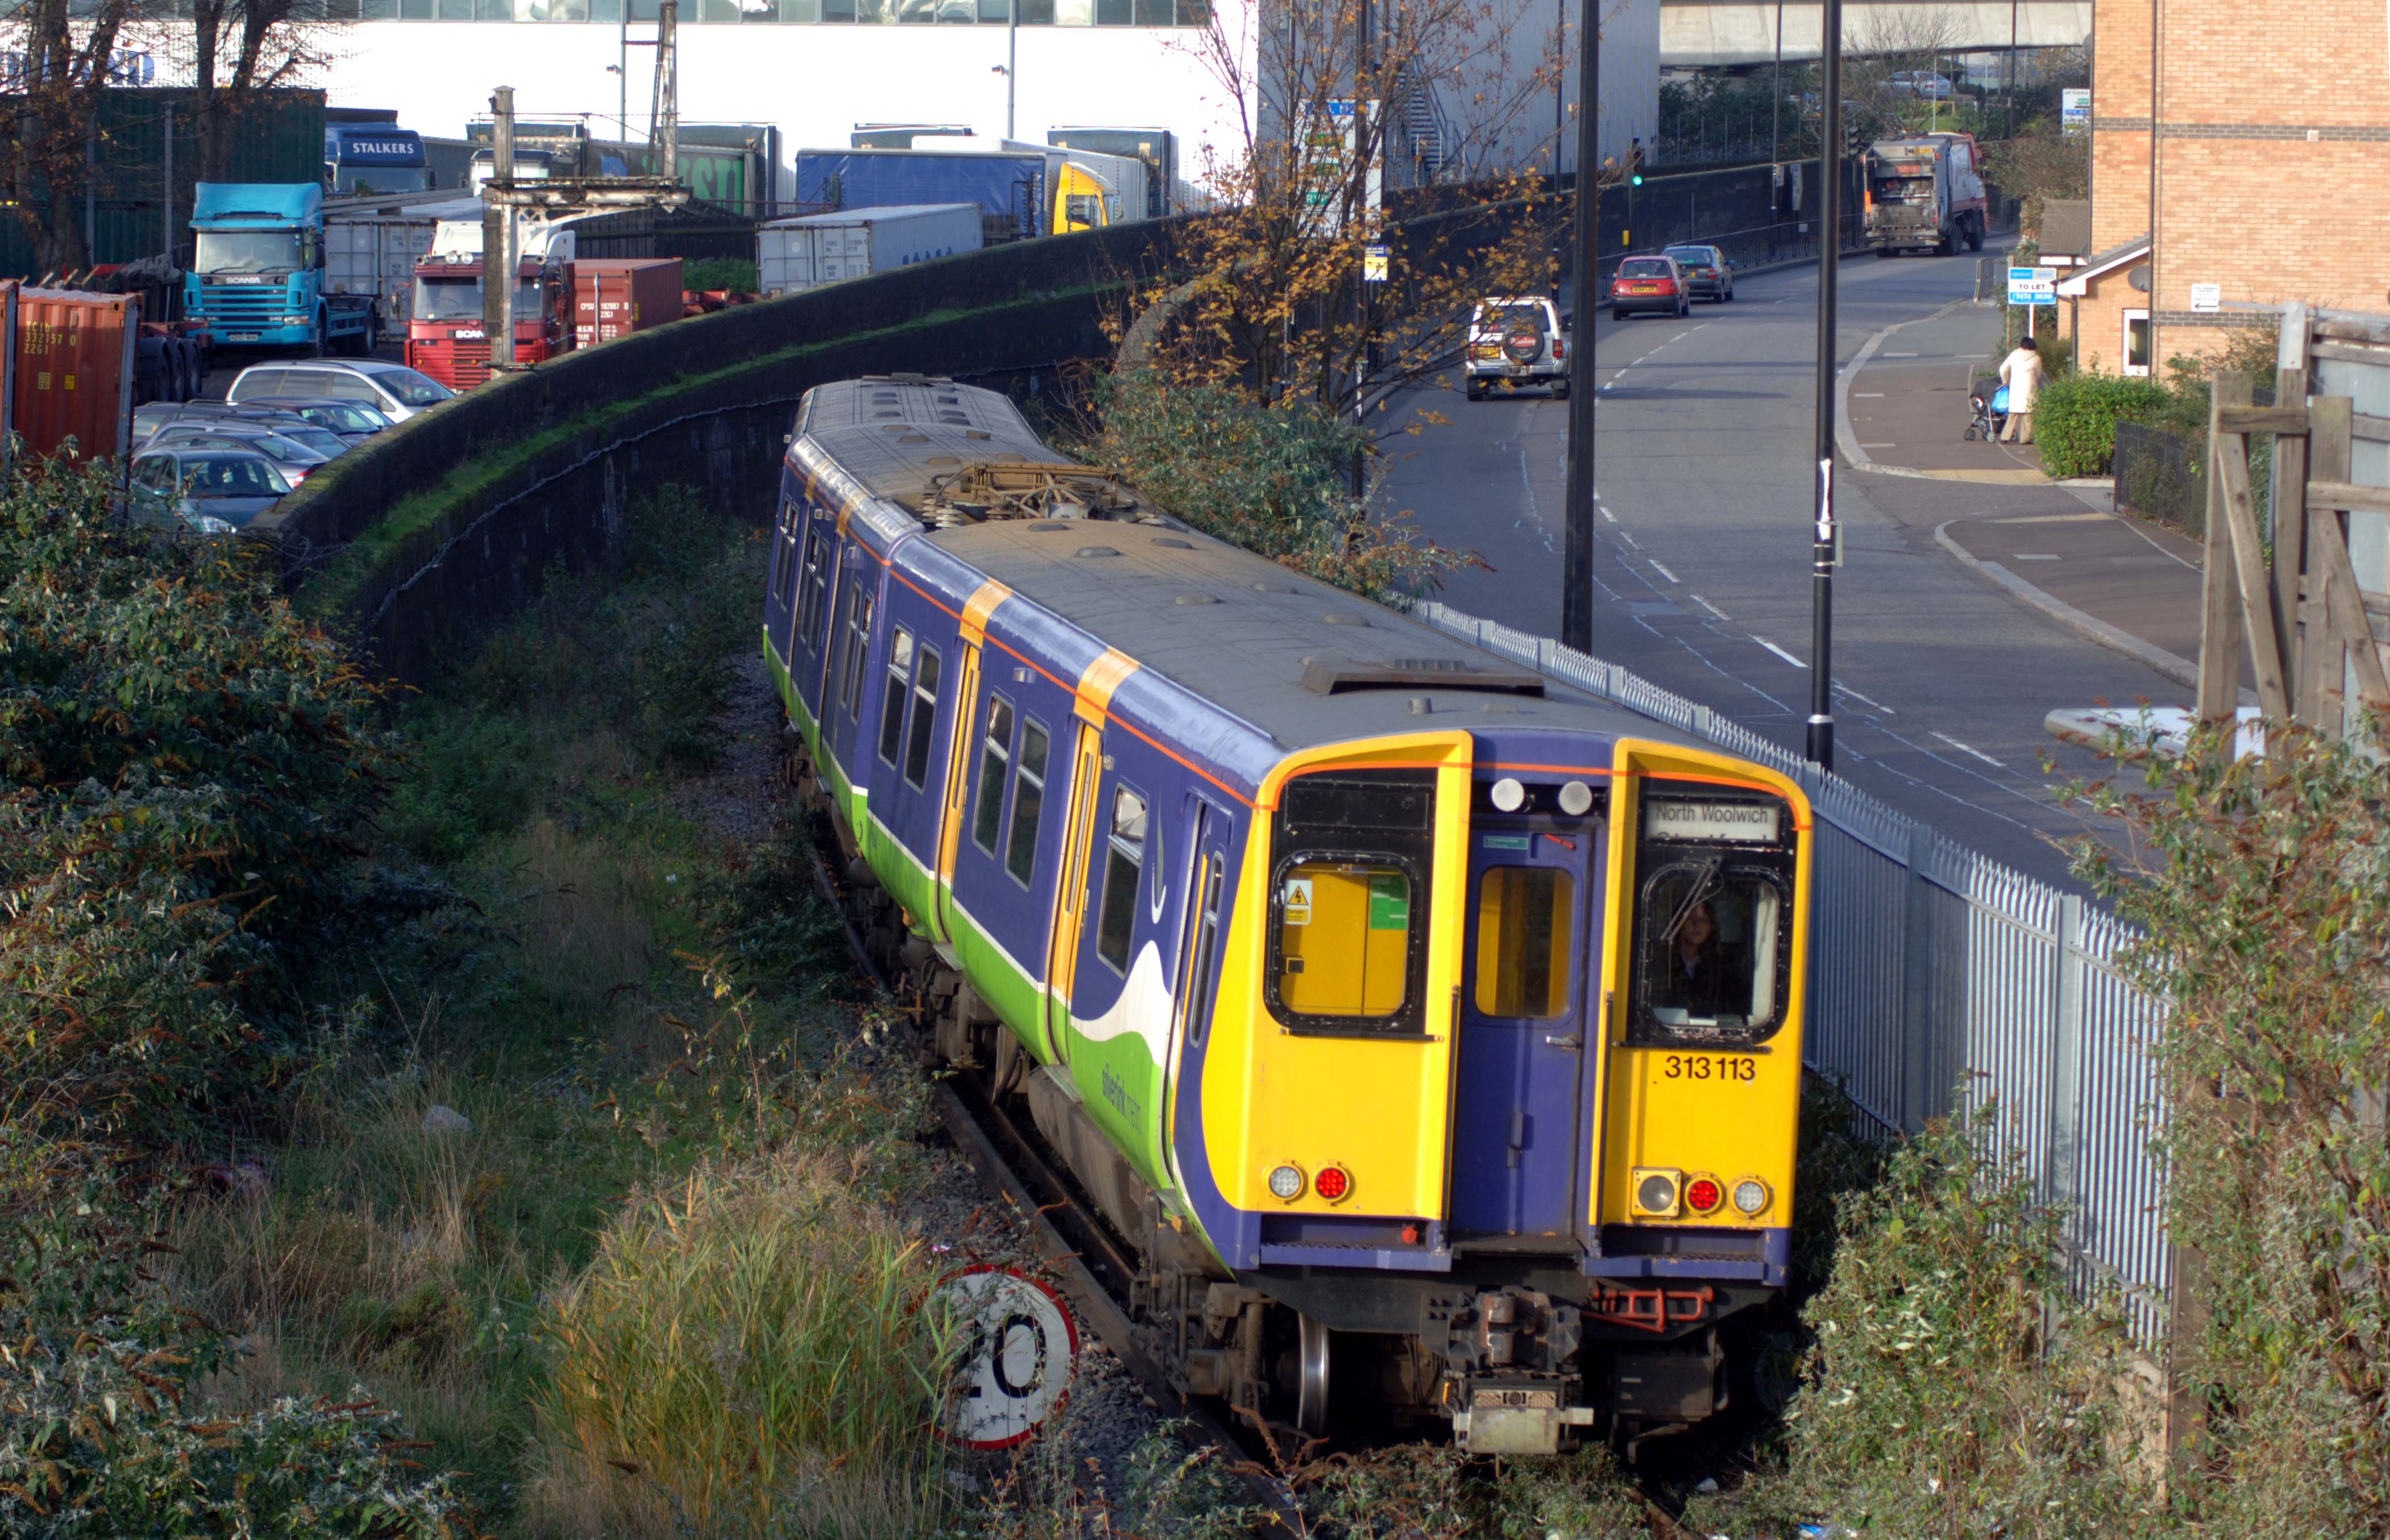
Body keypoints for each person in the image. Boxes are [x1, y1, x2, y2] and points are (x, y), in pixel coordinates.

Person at [1662, 900, 1746, 1016]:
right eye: (1691, 918)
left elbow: (1733, 1008)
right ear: (1679, 923)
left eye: (1704, 920)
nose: (1697, 925)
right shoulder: (1662, 960)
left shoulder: (1724, 965)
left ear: (1712, 926)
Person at [1998, 334, 2044, 444]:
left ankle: (2005, 437)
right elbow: (2039, 374)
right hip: (2030, 390)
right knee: (2028, 416)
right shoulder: (2036, 359)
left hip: (2016, 389)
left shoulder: (2014, 355)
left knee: (2013, 414)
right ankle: (2025, 439)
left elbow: (2003, 369)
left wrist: (2006, 380)